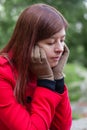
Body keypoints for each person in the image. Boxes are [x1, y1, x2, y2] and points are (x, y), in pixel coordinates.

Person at [0, 3, 72, 130]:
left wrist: (57, 80)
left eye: (62, 40)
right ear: (29, 44)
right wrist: (45, 82)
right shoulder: (3, 74)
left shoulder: (43, 69)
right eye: (50, 42)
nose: (60, 49)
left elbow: (62, 127)